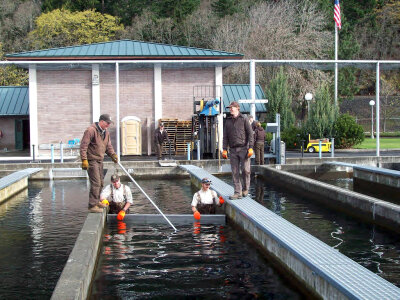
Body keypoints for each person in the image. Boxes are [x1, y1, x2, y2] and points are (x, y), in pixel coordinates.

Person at [80, 114, 119, 213]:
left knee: (101, 182)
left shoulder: (106, 133)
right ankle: (92, 205)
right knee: (96, 183)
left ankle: (97, 201)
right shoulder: (91, 130)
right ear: (101, 121)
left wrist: (113, 155)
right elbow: (83, 146)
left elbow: (108, 146)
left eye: (110, 123)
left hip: (100, 160)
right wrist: (84, 159)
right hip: (92, 160)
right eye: (107, 123)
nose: (108, 125)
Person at [222, 101, 254, 199]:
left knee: (245, 170)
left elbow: (250, 134)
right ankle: (237, 192)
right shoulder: (227, 121)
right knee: (235, 171)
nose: (230, 109)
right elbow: (225, 137)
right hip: (232, 150)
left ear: (237, 108)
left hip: (244, 148)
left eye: (232, 107)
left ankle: (245, 188)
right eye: (229, 108)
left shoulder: (244, 119)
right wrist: (224, 149)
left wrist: (251, 147)